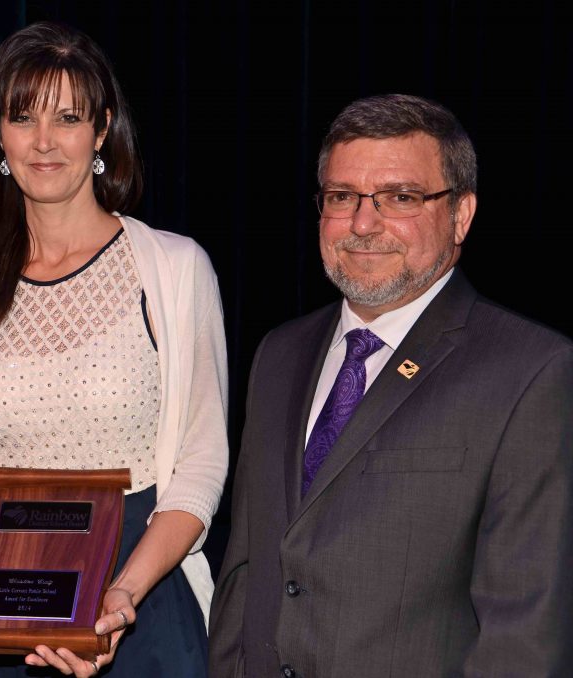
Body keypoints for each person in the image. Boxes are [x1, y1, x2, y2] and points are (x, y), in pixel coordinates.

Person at [208, 94, 573, 676]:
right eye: (341, 197)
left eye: (400, 198)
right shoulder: (279, 353)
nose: (362, 223)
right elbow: (246, 570)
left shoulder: (531, 371)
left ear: (461, 214)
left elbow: (526, 631)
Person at [0, 21, 228, 678]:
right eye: (22, 116)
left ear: (102, 130)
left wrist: (121, 595)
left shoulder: (171, 270)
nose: (45, 140)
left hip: (139, 605)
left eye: (69, 116)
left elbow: (201, 466)